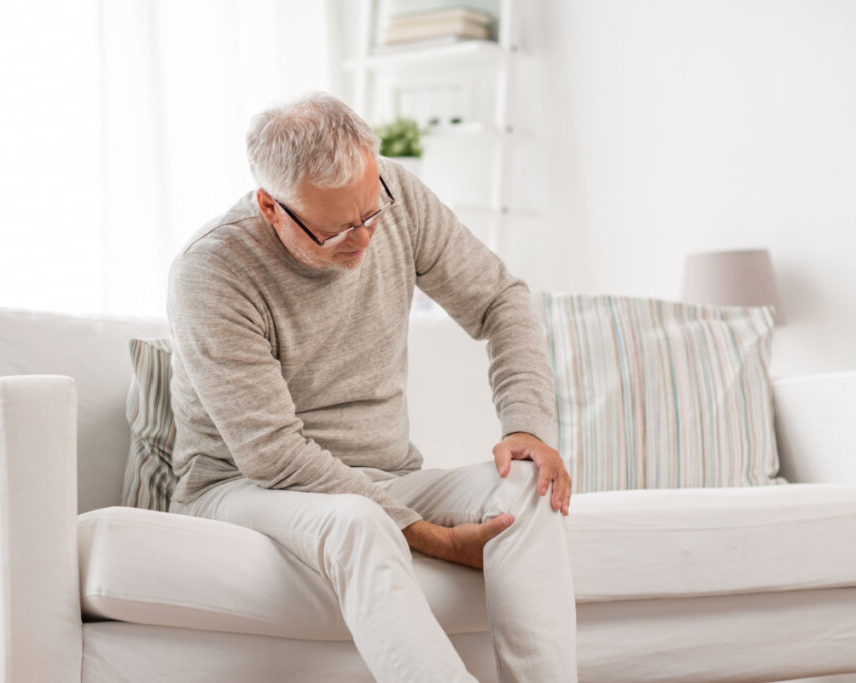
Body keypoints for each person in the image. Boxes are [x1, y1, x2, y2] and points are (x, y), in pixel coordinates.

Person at [166, 91, 576, 683]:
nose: (363, 241)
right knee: (357, 520)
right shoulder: (212, 272)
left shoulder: (394, 192)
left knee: (531, 486)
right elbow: (273, 455)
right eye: (335, 232)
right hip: (239, 486)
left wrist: (526, 426)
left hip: (385, 473)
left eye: (369, 215)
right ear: (271, 207)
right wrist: (430, 536)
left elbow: (500, 300)